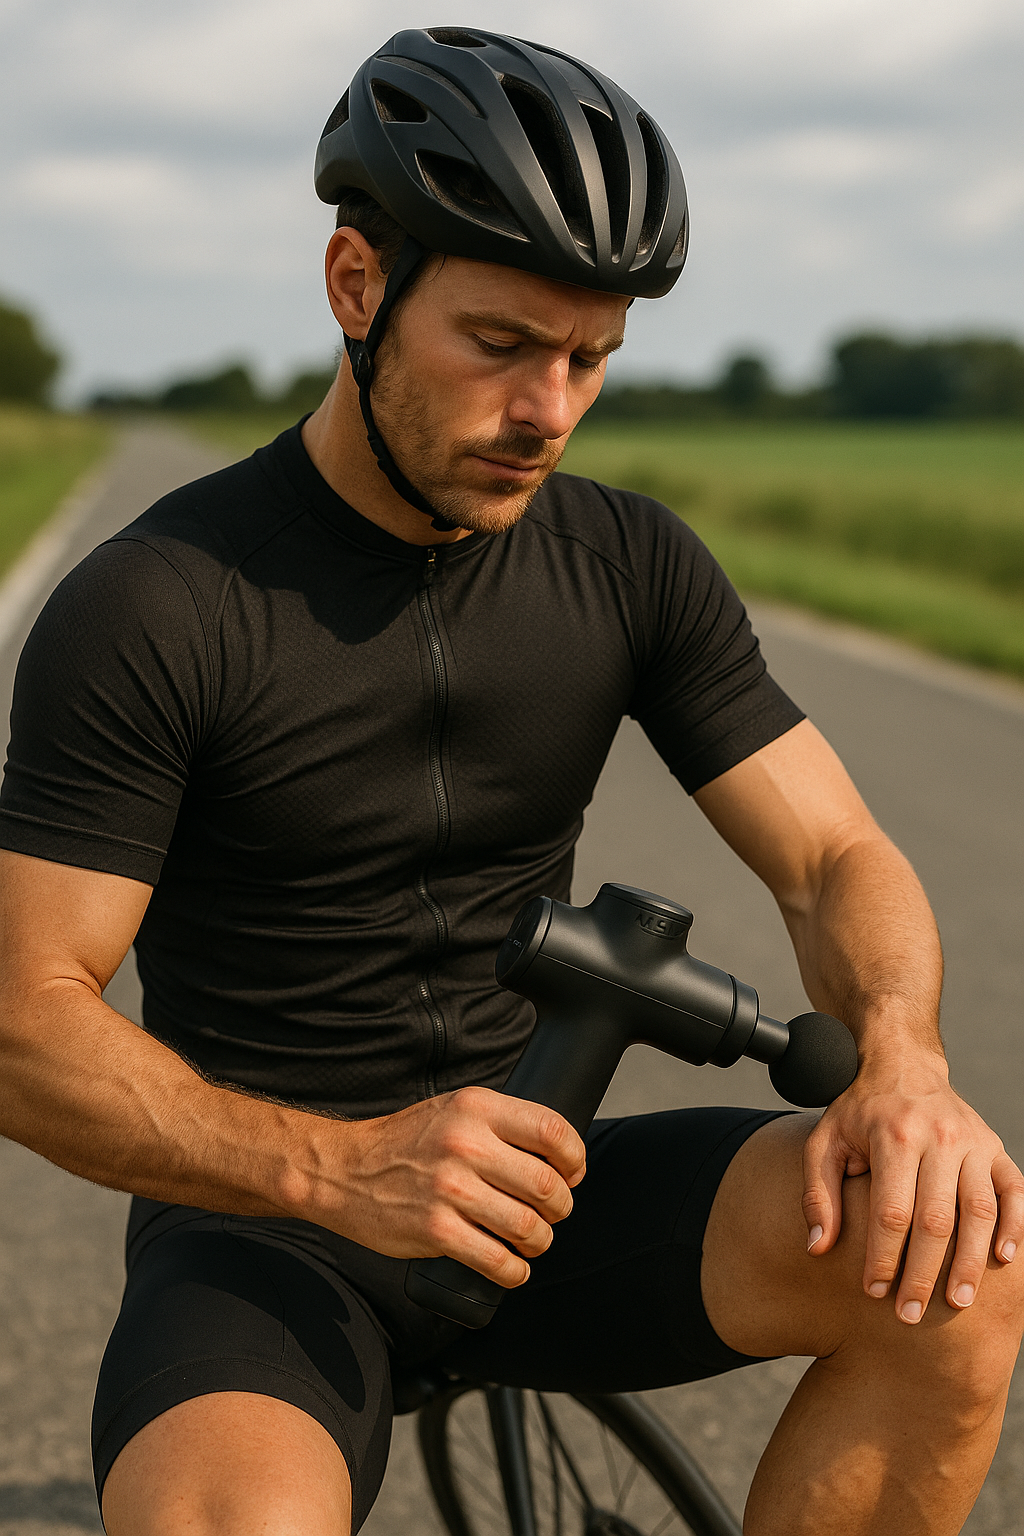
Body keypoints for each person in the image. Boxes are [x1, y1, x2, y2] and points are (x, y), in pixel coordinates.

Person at [0, 27, 1020, 1536]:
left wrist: (906, 1064)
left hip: (549, 1185)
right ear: (358, 287)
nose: (549, 407)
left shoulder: (628, 563)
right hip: (271, 1229)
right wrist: (342, 1171)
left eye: (590, 358)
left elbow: (830, 856)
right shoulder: (160, 603)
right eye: (498, 343)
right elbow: (25, 1019)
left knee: (955, 1266)